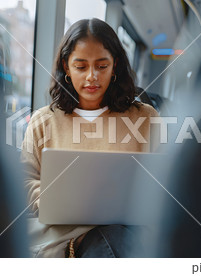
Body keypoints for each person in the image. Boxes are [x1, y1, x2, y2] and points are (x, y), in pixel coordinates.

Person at [21, 18, 159, 258]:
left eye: (102, 66)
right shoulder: (43, 121)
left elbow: (163, 179)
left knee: (114, 238)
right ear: (66, 66)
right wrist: (53, 202)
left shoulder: (146, 118)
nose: (92, 77)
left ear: (115, 65)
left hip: (127, 233)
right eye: (81, 66)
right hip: (65, 234)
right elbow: (25, 179)